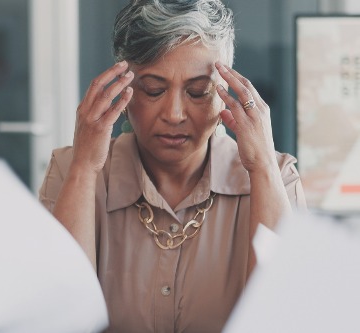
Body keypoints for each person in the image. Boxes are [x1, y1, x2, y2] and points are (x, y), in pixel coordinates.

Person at [39, 0, 306, 332]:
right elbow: (56, 318)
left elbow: (282, 318)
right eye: (153, 90)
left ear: (225, 92)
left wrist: (263, 166)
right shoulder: (70, 171)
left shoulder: (276, 178)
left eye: (197, 92)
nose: (175, 114)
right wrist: (83, 168)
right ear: (123, 89)